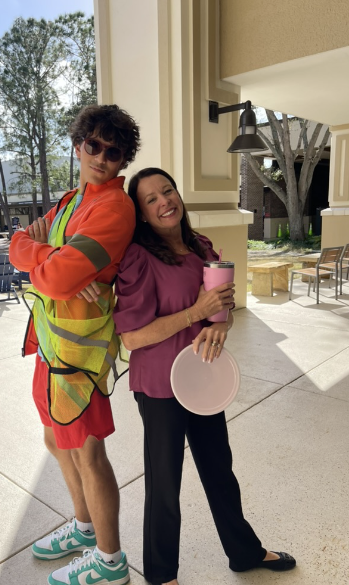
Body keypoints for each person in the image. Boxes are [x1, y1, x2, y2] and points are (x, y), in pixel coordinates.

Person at [113, 168, 296, 585]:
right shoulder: (139, 259)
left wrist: (219, 322)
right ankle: (162, 575)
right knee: (165, 484)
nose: (164, 202)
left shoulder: (202, 247)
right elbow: (132, 338)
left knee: (219, 470)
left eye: (168, 190)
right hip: (161, 386)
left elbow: (221, 309)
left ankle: (244, 552)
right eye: (151, 199)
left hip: (204, 380)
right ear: (141, 213)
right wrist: (196, 312)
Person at [9, 104, 141, 585]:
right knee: (53, 437)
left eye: (114, 151)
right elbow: (17, 243)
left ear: (124, 160)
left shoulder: (113, 208)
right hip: (51, 343)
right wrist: (52, 263)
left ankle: (110, 562)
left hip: (81, 354)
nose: (102, 157)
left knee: (87, 450)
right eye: (94, 145)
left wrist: (54, 268)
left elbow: (61, 274)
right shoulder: (71, 200)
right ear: (79, 143)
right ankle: (84, 528)